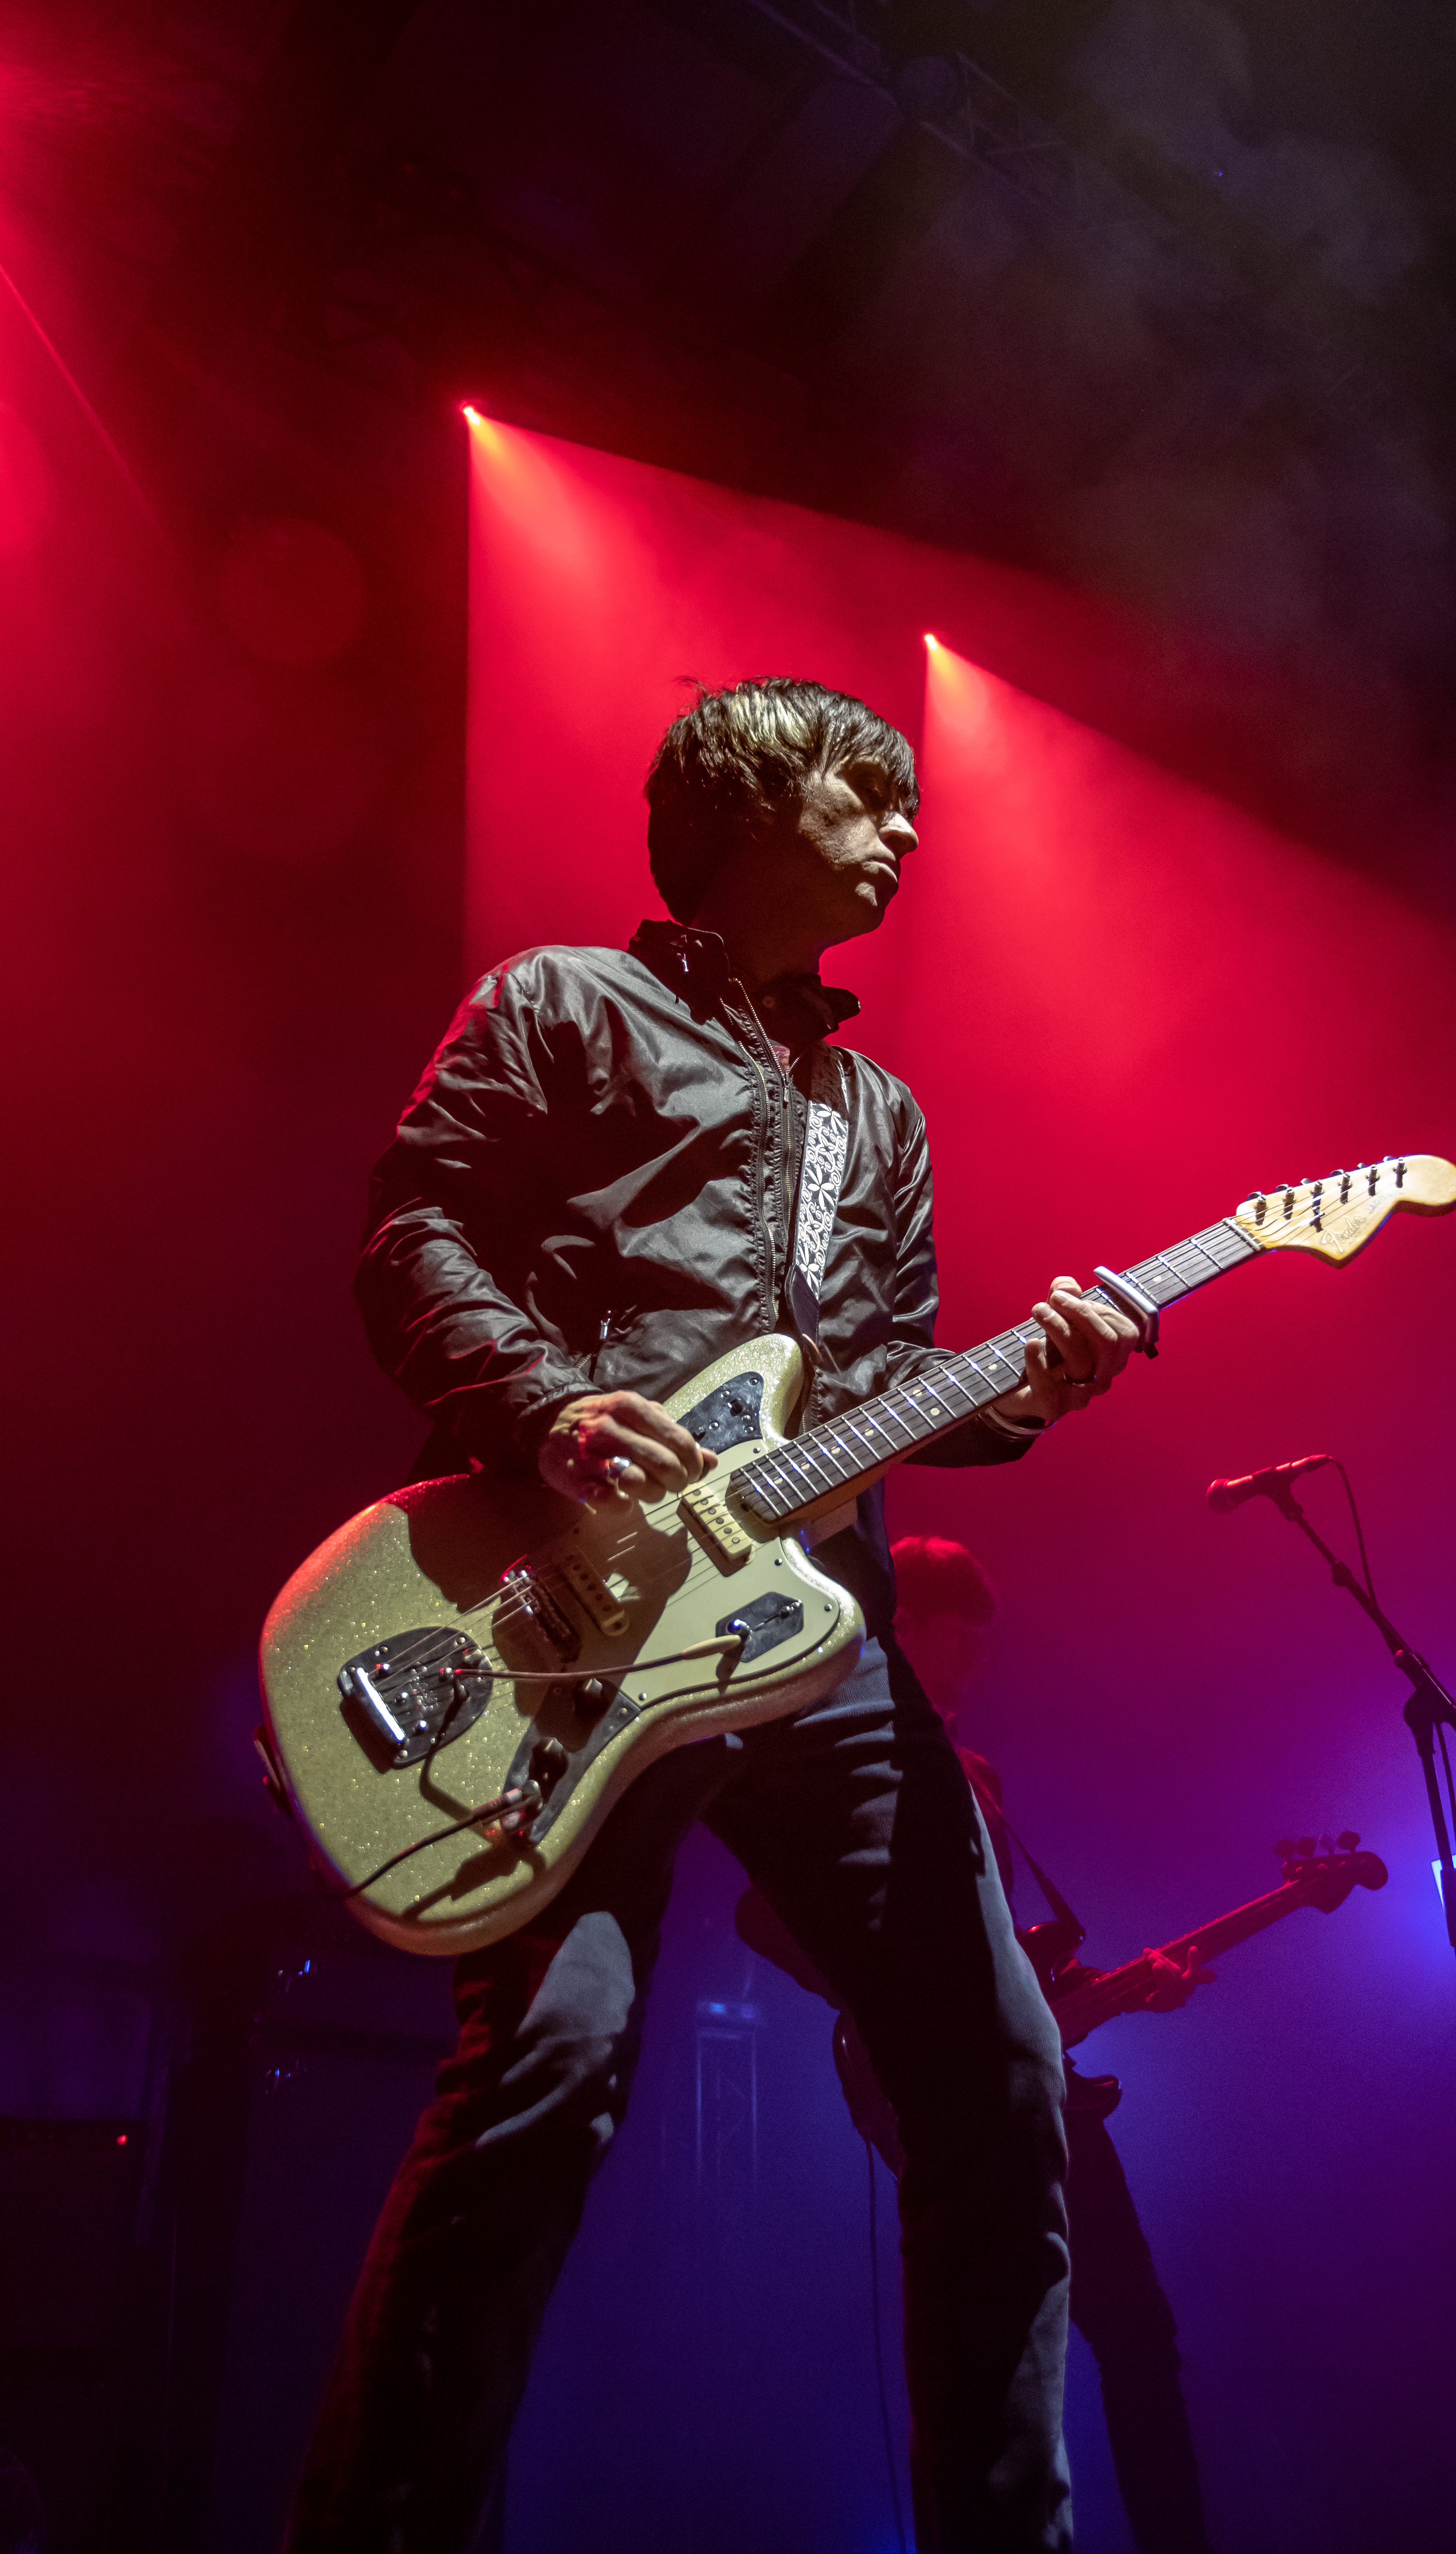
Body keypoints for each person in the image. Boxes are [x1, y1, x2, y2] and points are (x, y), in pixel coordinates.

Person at [286, 678, 1151, 2554]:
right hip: (569, 1631)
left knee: (1000, 2089)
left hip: (808, 1638)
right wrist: (540, 1402)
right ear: (751, 807)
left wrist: (1026, 1387)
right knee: (548, 2074)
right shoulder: (562, 1009)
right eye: (866, 798)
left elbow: (884, 1376)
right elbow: (413, 1227)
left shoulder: (880, 1115)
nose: (908, 830)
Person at [739, 1535, 1215, 2554]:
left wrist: (1115, 1994)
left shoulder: (979, 1773)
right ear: (906, 1625)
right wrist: (885, 1995)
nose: (982, 1654)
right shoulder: (853, 1756)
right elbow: (758, 1912)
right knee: (993, 2351)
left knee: (1132, 2334)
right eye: (966, 1630)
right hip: (952, 2089)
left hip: (1036, 2083)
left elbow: (1006, 1968)